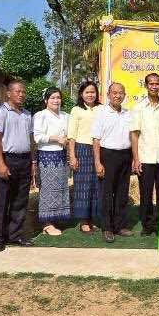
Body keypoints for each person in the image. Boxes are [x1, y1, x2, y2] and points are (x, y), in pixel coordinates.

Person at [0, 78, 36, 251]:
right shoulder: (1, 112)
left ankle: (15, 235)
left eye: (23, 91)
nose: (21, 94)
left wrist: (32, 161)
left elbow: (31, 139)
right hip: (7, 159)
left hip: (24, 160)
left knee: (20, 200)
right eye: (18, 91)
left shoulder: (27, 114)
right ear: (8, 94)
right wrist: (0, 163)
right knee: (3, 200)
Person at [130, 73, 159, 236]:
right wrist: (136, 159)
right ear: (146, 85)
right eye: (151, 83)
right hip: (145, 158)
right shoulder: (138, 108)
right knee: (146, 193)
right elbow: (134, 134)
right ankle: (147, 225)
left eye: (157, 83)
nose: (154, 86)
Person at [91, 82, 134, 243]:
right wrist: (98, 162)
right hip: (107, 155)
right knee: (106, 194)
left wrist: (133, 158)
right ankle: (107, 228)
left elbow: (132, 137)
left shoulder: (128, 113)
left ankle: (120, 225)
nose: (117, 95)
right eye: (114, 92)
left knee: (122, 193)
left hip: (125, 155)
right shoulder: (101, 113)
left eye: (120, 92)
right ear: (108, 95)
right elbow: (96, 140)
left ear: (124, 95)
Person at [34, 87, 70, 236]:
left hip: (61, 155)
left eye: (58, 97)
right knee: (48, 189)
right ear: (46, 100)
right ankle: (46, 223)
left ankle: (56, 217)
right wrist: (55, 138)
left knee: (60, 187)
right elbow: (37, 137)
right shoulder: (40, 115)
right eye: (52, 98)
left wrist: (66, 140)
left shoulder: (65, 115)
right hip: (47, 156)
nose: (56, 100)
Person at [67, 81, 101, 232]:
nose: (90, 95)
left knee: (96, 185)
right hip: (82, 149)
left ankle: (92, 218)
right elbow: (71, 135)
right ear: (81, 94)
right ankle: (83, 221)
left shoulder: (102, 109)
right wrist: (72, 156)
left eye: (93, 92)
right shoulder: (76, 110)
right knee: (82, 186)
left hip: (99, 149)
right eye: (87, 92)